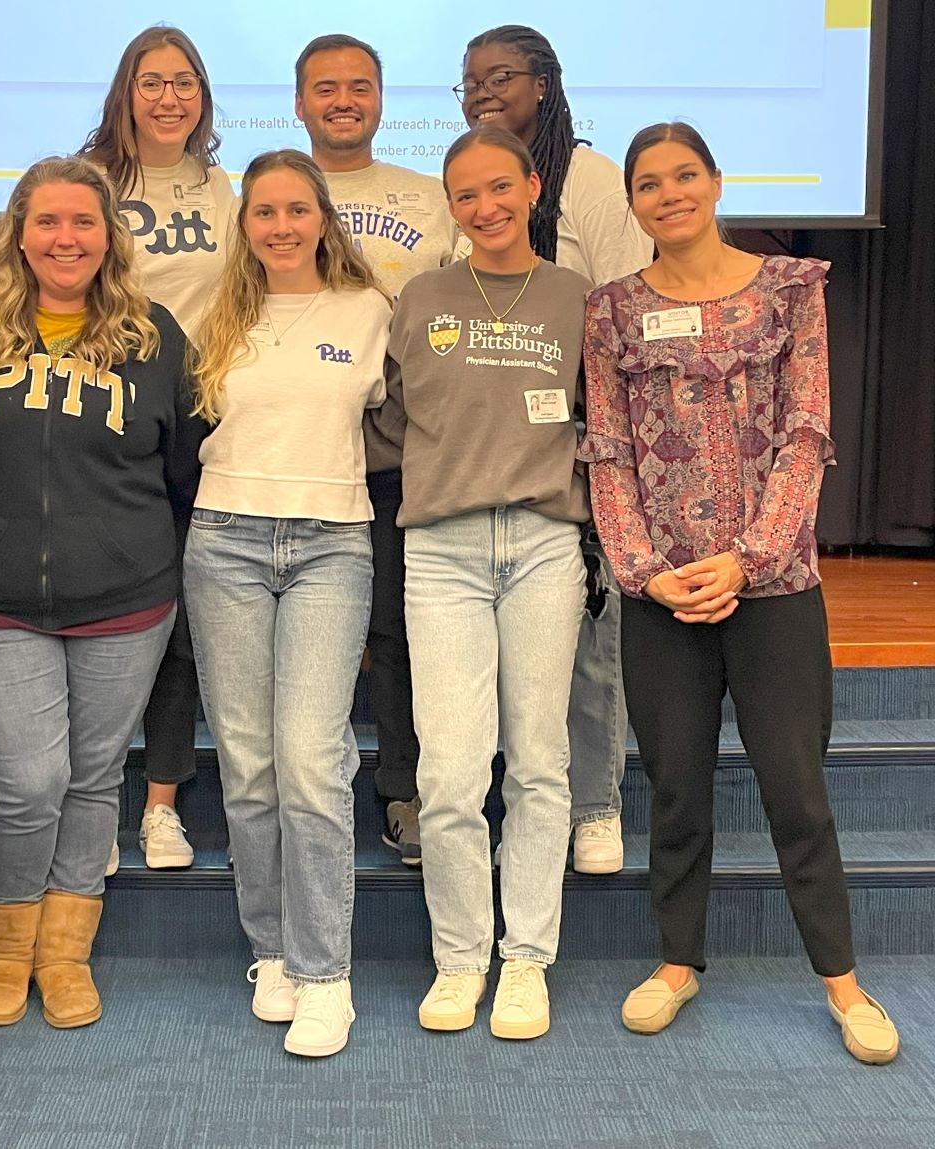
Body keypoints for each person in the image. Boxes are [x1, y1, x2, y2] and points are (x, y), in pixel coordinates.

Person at [579, 122, 899, 1064]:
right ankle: (678, 963)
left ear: (717, 184)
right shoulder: (611, 312)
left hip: (775, 589)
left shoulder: (792, 292)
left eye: (686, 176)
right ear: (632, 201)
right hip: (661, 597)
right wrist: (643, 569)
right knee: (675, 790)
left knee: (797, 792)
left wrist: (748, 559)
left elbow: (807, 433)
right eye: (650, 183)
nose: (669, 193)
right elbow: (608, 454)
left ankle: (843, 983)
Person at [0, 157, 203, 1032]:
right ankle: (7, 946)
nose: (66, 239)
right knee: (27, 780)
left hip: (126, 599)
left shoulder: (154, 336)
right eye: (47, 222)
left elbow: (182, 473)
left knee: (91, 780)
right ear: (15, 231)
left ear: (108, 237)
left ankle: (65, 951)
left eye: (84, 223)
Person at [370, 125, 590, 1039]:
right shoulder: (421, 297)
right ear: (450, 207)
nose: (486, 209)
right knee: (452, 770)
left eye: (500, 189)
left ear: (532, 187)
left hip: (544, 544)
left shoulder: (582, 300)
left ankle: (528, 958)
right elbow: (386, 421)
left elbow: (601, 424)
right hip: (443, 551)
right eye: (466, 196)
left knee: (538, 761)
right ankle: (461, 959)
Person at [184, 149, 391, 1058]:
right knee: (250, 762)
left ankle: (325, 971)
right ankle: (270, 948)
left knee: (312, 758)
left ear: (322, 218)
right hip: (222, 538)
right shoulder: (215, 315)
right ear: (245, 224)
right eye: (262, 211)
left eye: (295, 210)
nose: (279, 226)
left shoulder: (370, 310)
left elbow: (394, 423)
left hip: (331, 544)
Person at [459, 24, 655, 874]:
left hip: (577, 439)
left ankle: (596, 803)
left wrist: (605, 442)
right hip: (482, 445)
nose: (484, 92)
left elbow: (625, 316)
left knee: (587, 632)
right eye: (469, 82)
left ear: (544, 84)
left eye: (502, 76)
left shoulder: (596, 181)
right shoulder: (466, 181)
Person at [294, 33, 460, 868]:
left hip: (401, 449)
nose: (343, 100)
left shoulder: (430, 198)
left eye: (360, 86)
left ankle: (404, 789)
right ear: (299, 103)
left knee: (396, 627)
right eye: (326, 88)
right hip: (298, 449)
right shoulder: (274, 190)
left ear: (382, 99)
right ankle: (292, 793)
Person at [80, 25, 234, 868]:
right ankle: (94, 800)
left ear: (203, 94)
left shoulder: (227, 190)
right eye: (152, 81)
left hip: (201, 416)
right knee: (103, 607)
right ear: (125, 91)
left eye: (184, 81)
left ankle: (162, 805)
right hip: (103, 410)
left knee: (174, 611)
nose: (169, 96)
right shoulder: (91, 181)